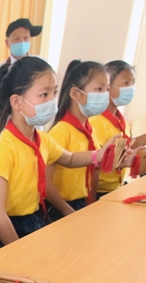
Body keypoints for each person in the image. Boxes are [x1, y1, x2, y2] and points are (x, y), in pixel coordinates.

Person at [0, 57, 113, 247]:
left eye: (54, 93)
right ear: (17, 102)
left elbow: (69, 159)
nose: (52, 101)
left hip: (33, 219)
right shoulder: (4, 147)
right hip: (7, 230)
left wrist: (97, 156)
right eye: (44, 95)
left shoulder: (41, 138)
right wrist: (17, 251)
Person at [90, 60, 146, 197]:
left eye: (133, 83)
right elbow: (95, 161)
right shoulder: (96, 121)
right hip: (99, 190)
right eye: (126, 83)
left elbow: (127, 145)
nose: (131, 88)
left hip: (115, 187)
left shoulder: (119, 119)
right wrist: (128, 161)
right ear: (108, 87)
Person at [47, 60, 111, 217]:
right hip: (60, 208)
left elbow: (94, 169)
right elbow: (45, 182)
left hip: (81, 203)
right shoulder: (61, 131)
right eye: (99, 89)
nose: (105, 96)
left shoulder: (90, 130)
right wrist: (67, 211)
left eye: (107, 89)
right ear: (76, 94)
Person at [0, 18, 43, 141]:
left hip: (36, 129)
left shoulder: (40, 66)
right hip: (8, 130)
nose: (22, 42)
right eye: (17, 39)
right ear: (7, 42)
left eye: (26, 38)